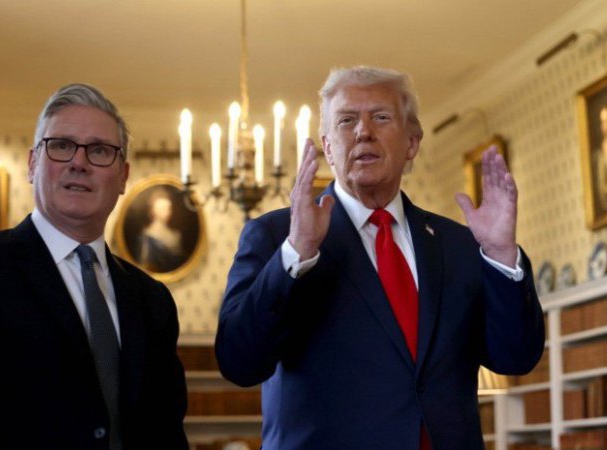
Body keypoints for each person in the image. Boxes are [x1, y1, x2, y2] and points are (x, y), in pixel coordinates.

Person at [215, 66, 545, 450]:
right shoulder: (275, 236)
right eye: (346, 120)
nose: (363, 131)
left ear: (412, 143)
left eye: (381, 117)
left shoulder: (461, 244)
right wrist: (296, 253)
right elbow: (239, 362)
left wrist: (501, 254)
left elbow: (515, 358)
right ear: (327, 146)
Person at [0, 83, 189, 450]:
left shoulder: (151, 299)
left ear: (123, 176)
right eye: (62, 145)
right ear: (32, 164)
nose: (79, 162)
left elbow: (165, 433)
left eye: (100, 150)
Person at [136, 188, 184, 272]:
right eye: (163, 208)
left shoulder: (176, 234)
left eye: (169, 208)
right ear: (154, 210)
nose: (167, 212)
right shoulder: (147, 236)